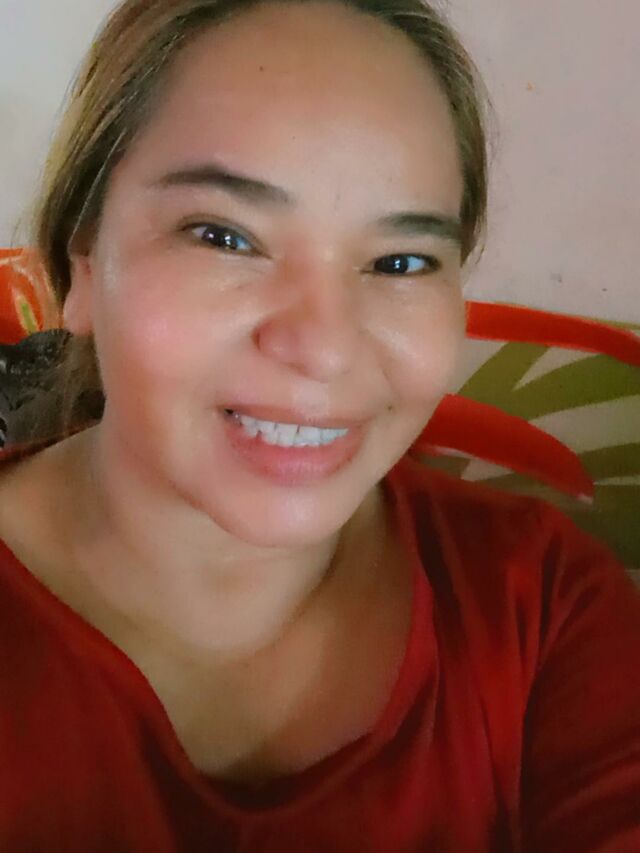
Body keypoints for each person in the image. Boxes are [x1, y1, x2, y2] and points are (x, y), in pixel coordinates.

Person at [0, 0, 638, 850]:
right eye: (225, 236)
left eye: (400, 261)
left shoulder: (542, 608)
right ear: (83, 263)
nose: (326, 347)